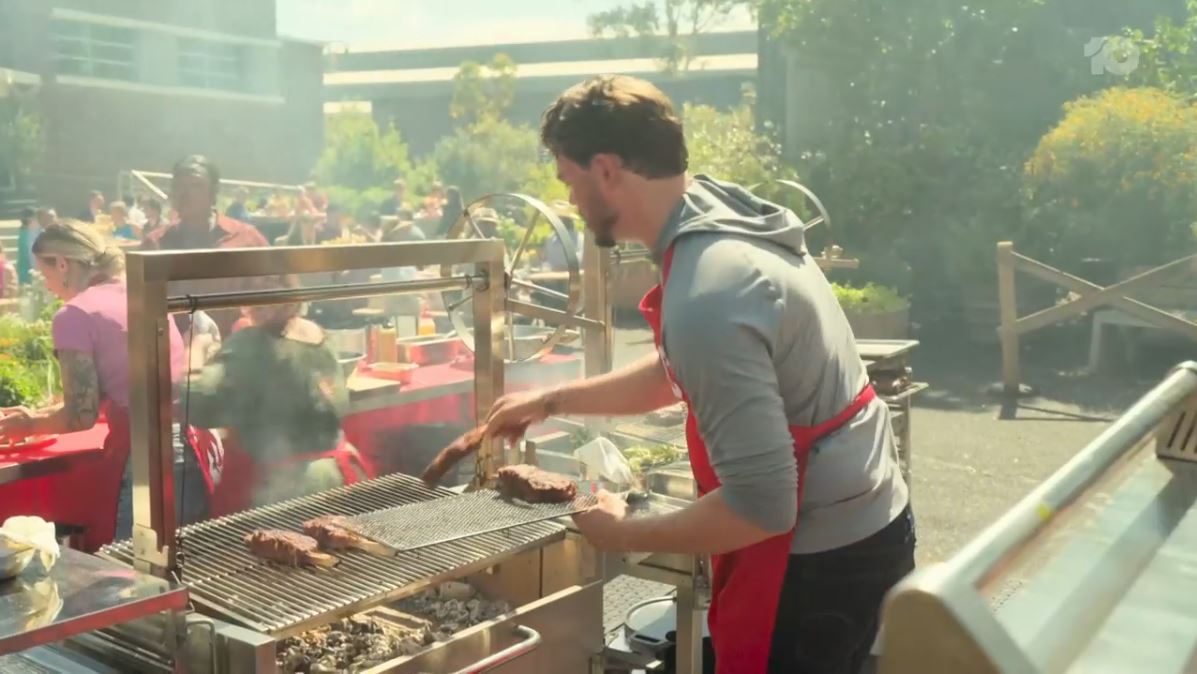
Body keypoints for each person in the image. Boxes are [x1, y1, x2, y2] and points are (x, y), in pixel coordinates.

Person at [485, 75, 915, 674]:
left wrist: (623, 530)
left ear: (606, 169)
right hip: (867, 519)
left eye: (569, 181)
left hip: (819, 561)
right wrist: (553, 399)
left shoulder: (709, 292)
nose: (572, 202)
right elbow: (676, 372)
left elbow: (763, 508)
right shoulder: (717, 214)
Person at [0, 221, 203, 550]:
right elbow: (121, 382)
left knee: (139, 580)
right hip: (194, 449)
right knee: (188, 573)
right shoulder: (136, 292)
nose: (47, 284)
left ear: (63, 264)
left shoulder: (74, 314)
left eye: (45, 274)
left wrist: (30, 423)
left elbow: (81, 415)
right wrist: (37, 414)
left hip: (146, 460)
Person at [184, 274, 374, 509]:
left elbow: (196, 401)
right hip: (342, 475)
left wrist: (196, 347)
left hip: (290, 488)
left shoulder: (252, 343)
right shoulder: (317, 333)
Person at [142, 155, 269, 336]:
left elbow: (278, 295)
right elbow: (139, 307)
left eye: (196, 185)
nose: (185, 194)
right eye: (179, 186)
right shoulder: (155, 244)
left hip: (237, 348)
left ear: (213, 192)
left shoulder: (246, 239)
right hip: (176, 351)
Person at [16, 207, 39, 286]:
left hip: (25, 271)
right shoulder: (28, 234)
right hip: (29, 272)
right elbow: (30, 253)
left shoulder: (23, 232)